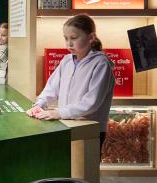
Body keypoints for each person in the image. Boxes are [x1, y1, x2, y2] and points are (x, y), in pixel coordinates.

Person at [26, 14, 115, 149]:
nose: (69, 43)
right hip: (66, 125)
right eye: (66, 38)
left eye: (74, 38)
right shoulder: (66, 60)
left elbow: (91, 103)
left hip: (90, 129)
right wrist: (40, 104)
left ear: (91, 37)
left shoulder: (101, 64)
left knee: (83, 169)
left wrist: (58, 113)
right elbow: (51, 88)